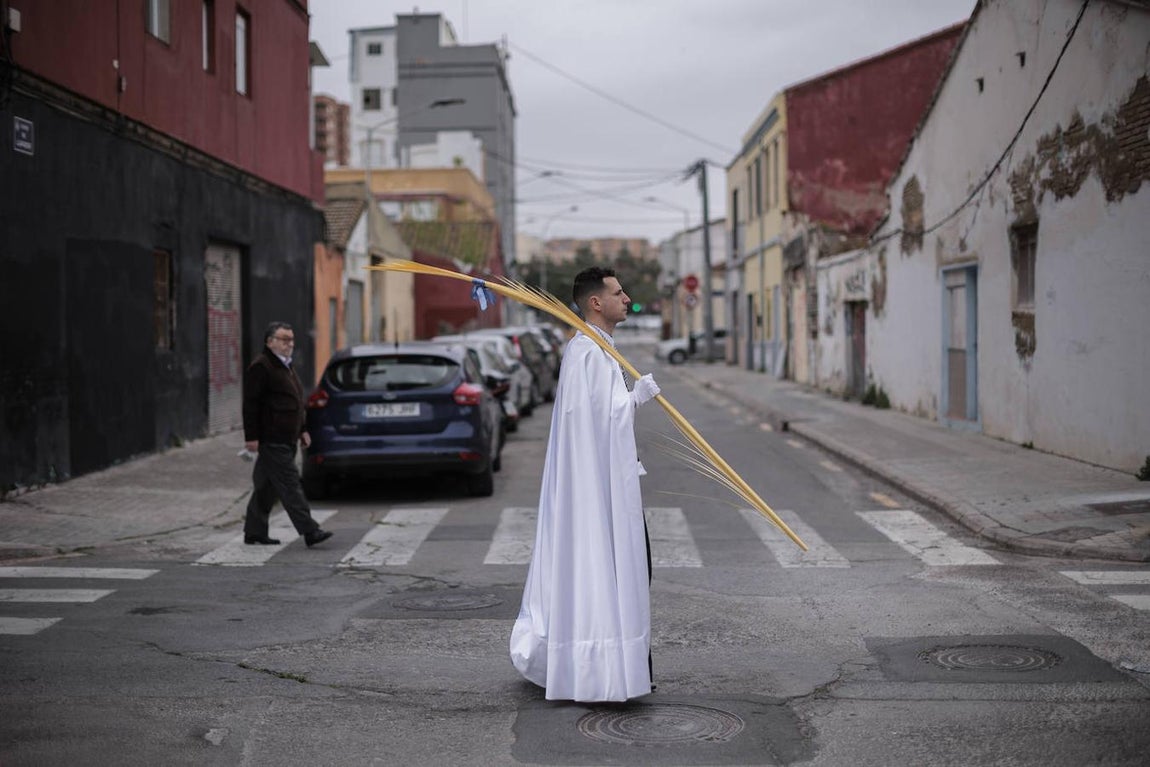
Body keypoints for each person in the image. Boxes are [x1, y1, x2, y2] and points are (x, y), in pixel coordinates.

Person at [510, 267, 661, 702]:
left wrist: (629, 400)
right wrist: (636, 398)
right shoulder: (589, 351)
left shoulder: (596, 347)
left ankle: (624, 666)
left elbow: (597, 416)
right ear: (596, 302)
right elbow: (596, 420)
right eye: (618, 292)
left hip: (609, 481)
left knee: (634, 569)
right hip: (598, 490)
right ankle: (605, 669)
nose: (627, 298)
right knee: (620, 568)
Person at [241, 321, 333, 548]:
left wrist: (302, 429)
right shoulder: (262, 366)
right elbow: (250, 405)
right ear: (269, 342)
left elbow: (295, 401)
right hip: (273, 438)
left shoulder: (285, 365)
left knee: (266, 487)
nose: (289, 344)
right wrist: (251, 437)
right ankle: (310, 531)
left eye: (291, 339)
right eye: (284, 339)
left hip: (287, 436)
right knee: (291, 485)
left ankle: (254, 531)